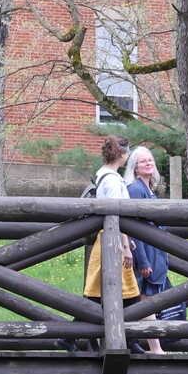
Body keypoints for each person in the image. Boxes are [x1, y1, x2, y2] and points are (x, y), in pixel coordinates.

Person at [124, 144, 183, 349]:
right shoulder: (135, 189)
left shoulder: (149, 189)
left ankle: (142, 344)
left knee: (148, 302)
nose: (148, 163)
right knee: (145, 302)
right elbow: (134, 229)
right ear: (135, 167)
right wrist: (144, 261)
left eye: (150, 160)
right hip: (145, 255)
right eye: (143, 161)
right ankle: (155, 348)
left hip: (155, 254)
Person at [81, 136, 140, 328]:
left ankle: (129, 341)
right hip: (112, 242)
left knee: (105, 293)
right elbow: (115, 215)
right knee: (122, 294)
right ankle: (128, 340)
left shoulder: (102, 175)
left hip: (106, 240)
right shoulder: (113, 180)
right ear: (122, 154)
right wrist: (125, 246)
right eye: (127, 152)